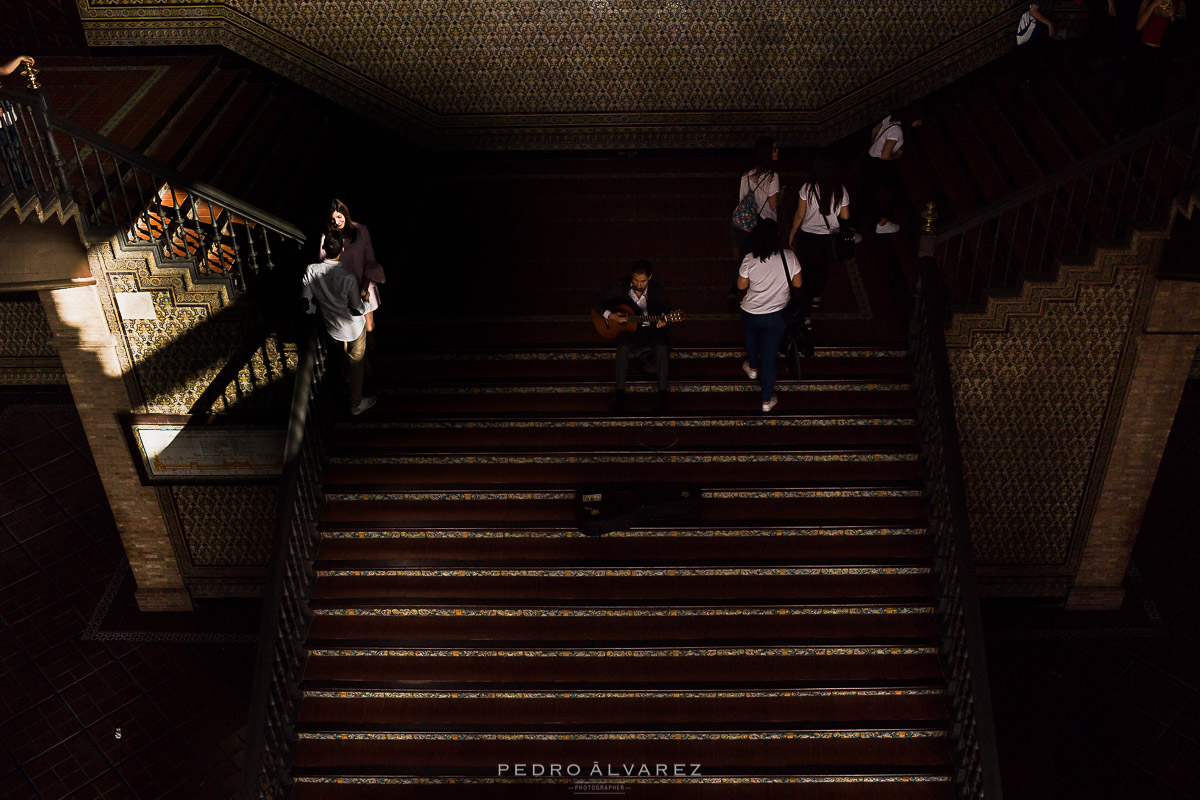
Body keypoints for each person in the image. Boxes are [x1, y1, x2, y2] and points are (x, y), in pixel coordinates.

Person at [302, 228, 376, 415]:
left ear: (325, 249)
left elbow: (305, 301)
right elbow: (356, 309)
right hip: (353, 327)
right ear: (342, 249)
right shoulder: (348, 278)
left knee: (341, 355)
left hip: (332, 326)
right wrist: (367, 302)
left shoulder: (311, 270)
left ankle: (346, 382)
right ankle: (355, 404)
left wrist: (313, 310)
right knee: (356, 363)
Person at [591, 260, 673, 414]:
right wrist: (611, 315)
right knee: (622, 348)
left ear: (650, 278)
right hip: (630, 332)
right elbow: (595, 299)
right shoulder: (621, 287)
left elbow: (666, 312)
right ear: (632, 276)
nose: (639, 284)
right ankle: (620, 394)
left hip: (652, 331)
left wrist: (663, 321)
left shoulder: (658, 290)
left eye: (643, 281)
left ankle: (662, 396)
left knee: (662, 347)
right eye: (636, 280)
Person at [738, 219, 802, 414]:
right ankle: (766, 400)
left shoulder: (750, 258)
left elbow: (741, 286)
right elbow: (798, 284)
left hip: (751, 312)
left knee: (751, 334)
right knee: (770, 357)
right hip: (777, 316)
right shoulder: (789, 257)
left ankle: (752, 367)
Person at [788, 157, 851, 320]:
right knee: (822, 268)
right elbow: (845, 215)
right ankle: (817, 295)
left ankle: (805, 310)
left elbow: (799, 214)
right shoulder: (840, 190)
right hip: (828, 239)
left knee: (807, 271)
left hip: (808, 237)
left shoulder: (807, 189)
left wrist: (792, 233)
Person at [320, 199, 386, 333]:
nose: (336, 222)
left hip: (363, 286)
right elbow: (323, 264)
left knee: (368, 328)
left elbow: (370, 260)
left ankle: (370, 340)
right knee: (352, 332)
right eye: (333, 219)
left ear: (346, 215)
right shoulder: (327, 236)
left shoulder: (361, 230)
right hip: (342, 291)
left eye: (339, 217)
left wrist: (364, 286)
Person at [730, 137, 781, 296]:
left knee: (746, 255)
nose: (777, 151)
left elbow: (742, 198)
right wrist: (781, 196)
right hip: (766, 222)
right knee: (767, 254)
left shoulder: (747, 173)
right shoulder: (772, 176)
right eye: (774, 149)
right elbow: (773, 204)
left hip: (749, 222)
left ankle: (736, 288)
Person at [864, 113, 917, 235]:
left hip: (870, 158)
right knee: (900, 190)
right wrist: (897, 155)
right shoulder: (897, 131)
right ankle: (882, 224)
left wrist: (875, 145)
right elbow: (885, 155)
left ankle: (853, 228)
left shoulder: (891, 118)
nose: (919, 123)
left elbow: (874, 130)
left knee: (868, 193)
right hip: (880, 164)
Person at [0, 55, 35, 190]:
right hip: (0, 126)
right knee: (10, 156)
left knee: (15, 152)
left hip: (8, 120)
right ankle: (23, 186)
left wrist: (19, 58)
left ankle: (27, 182)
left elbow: (4, 69)